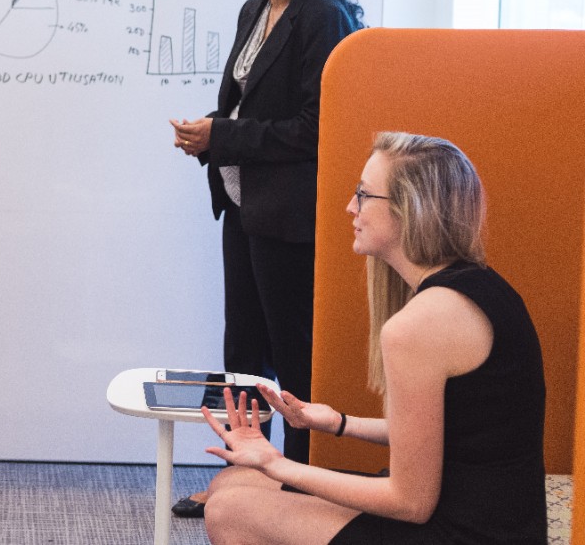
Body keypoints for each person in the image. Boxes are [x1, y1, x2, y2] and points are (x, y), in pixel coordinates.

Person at [198, 132, 547, 544]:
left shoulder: (421, 324)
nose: (351, 206)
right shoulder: (476, 287)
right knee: (233, 481)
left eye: (363, 194)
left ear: (410, 209)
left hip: (469, 532)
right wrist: (336, 423)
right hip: (481, 516)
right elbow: (448, 433)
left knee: (229, 510)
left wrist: (277, 463)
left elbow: (410, 503)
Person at [168, 0, 362, 516]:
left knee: (292, 362)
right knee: (243, 358)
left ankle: (299, 488)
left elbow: (314, 129)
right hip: (244, 205)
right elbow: (248, 105)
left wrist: (223, 135)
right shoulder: (255, 9)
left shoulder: (323, 16)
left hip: (289, 217)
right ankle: (241, 481)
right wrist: (210, 131)